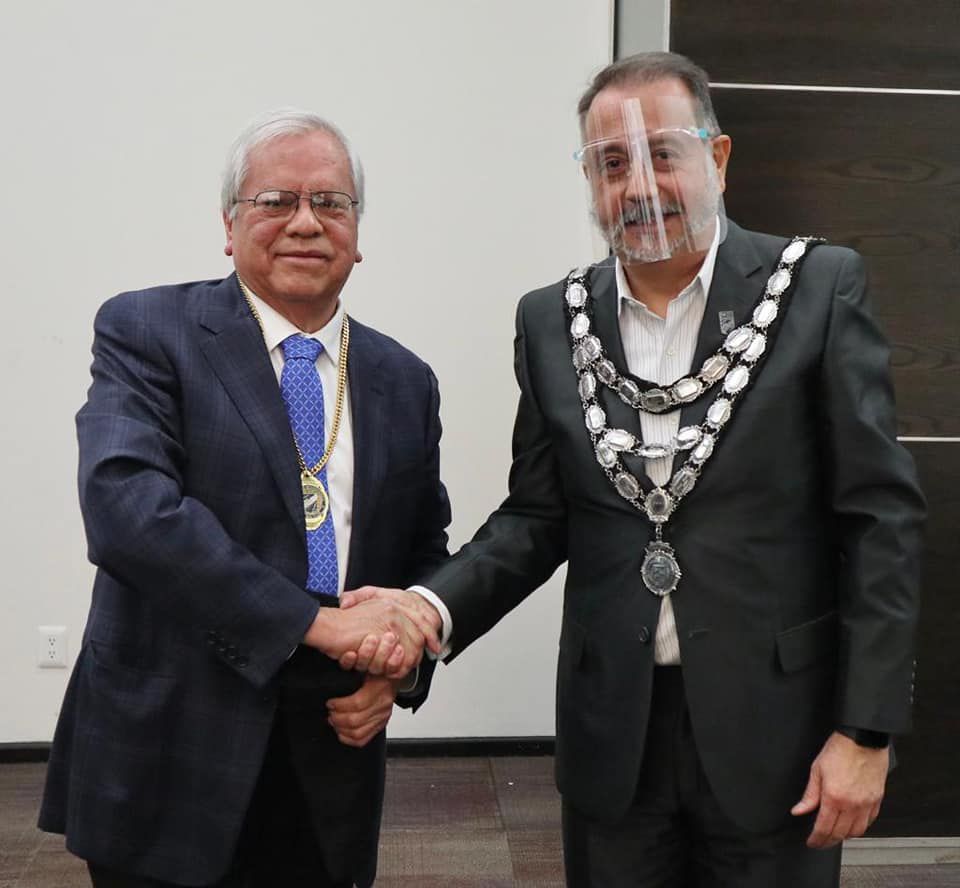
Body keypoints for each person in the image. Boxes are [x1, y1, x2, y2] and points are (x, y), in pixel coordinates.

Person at [343, 53, 926, 886]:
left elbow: (880, 521)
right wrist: (424, 610)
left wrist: (865, 731)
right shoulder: (552, 320)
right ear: (589, 181)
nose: (640, 185)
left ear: (716, 158)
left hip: (778, 733)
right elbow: (537, 517)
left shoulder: (816, 289)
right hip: (612, 733)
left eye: (663, 153)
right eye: (612, 162)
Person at [38, 108, 449, 888]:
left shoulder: (403, 379)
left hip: (331, 742)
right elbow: (128, 511)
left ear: (358, 233)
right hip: (170, 741)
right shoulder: (149, 330)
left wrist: (398, 669)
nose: (306, 222)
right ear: (229, 225)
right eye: (275, 201)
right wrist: (318, 624)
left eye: (331, 203)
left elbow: (423, 551)